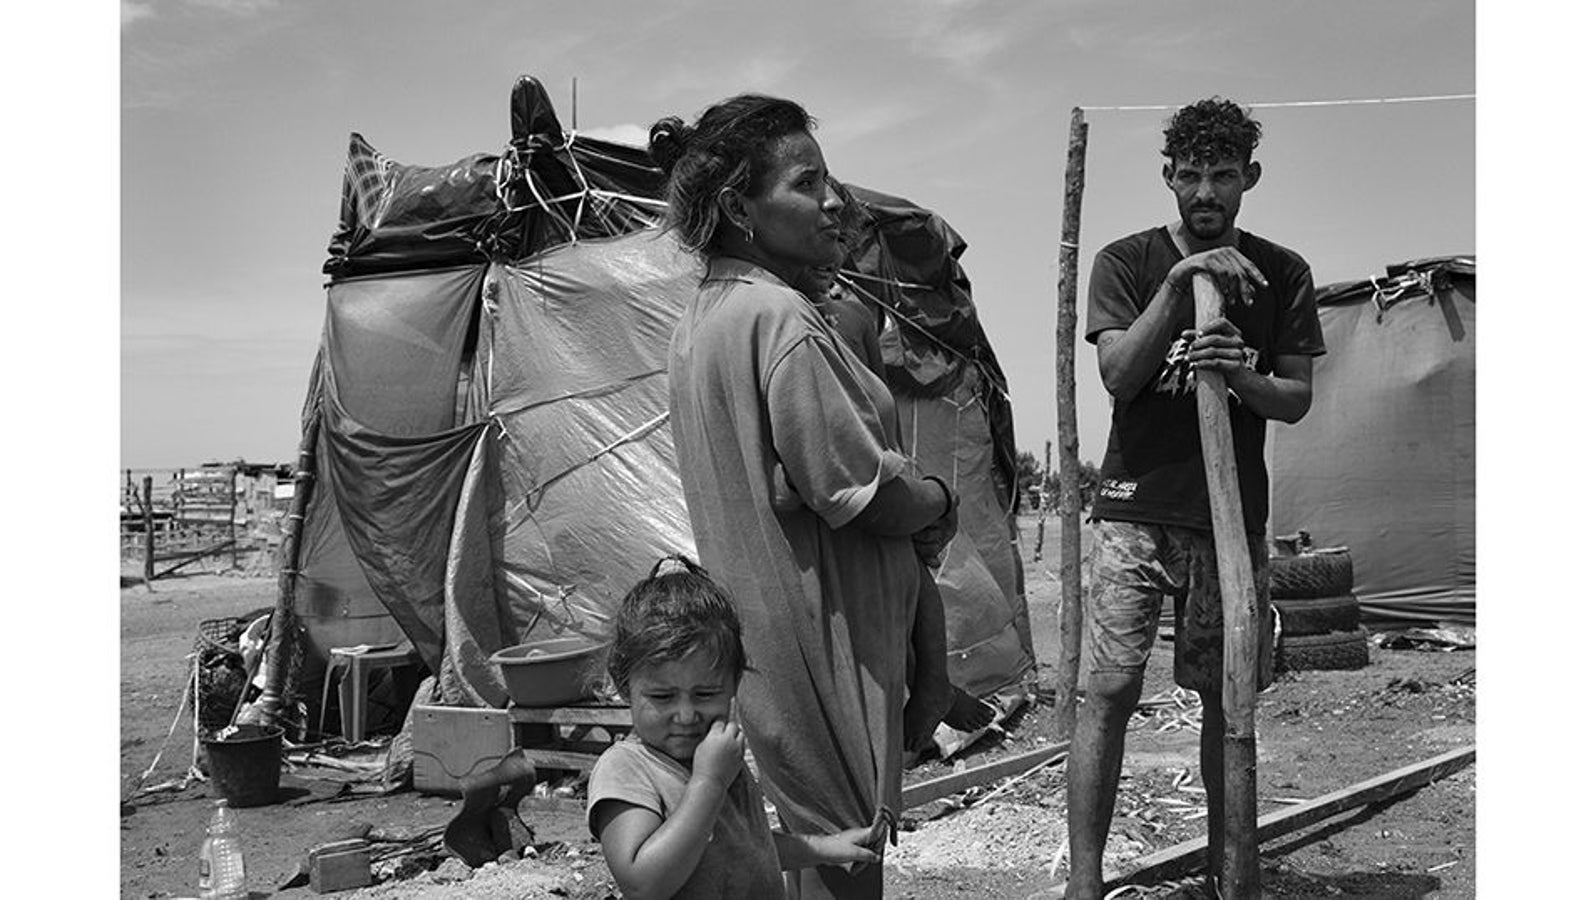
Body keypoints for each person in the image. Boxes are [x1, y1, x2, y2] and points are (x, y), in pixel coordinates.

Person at [651, 93, 959, 899]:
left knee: (818, 850)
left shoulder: (703, 319)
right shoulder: (779, 318)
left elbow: (800, 480)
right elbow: (861, 497)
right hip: (824, 639)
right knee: (846, 853)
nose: (833, 202)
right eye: (804, 183)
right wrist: (936, 498)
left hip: (770, 639)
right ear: (739, 209)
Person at [1064, 97, 1326, 899]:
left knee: (1226, 697)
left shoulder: (1282, 273)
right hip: (1133, 509)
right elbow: (1116, 374)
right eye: (1190, 175)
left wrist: (1239, 370)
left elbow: (1296, 396)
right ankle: (1084, 882)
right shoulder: (1128, 262)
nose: (1205, 190)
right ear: (1168, 178)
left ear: (1249, 177)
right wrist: (1180, 288)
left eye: (1221, 175)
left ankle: (1229, 873)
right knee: (1107, 690)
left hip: (1228, 516)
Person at [587, 556, 881, 899]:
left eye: (706, 694)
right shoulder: (627, 768)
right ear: (624, 687)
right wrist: (709, 782)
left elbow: (743, 846)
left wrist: (822, 848)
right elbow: (642, 884)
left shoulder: (716, 757)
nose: (685, 715)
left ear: (734, 683)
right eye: (662, 696)